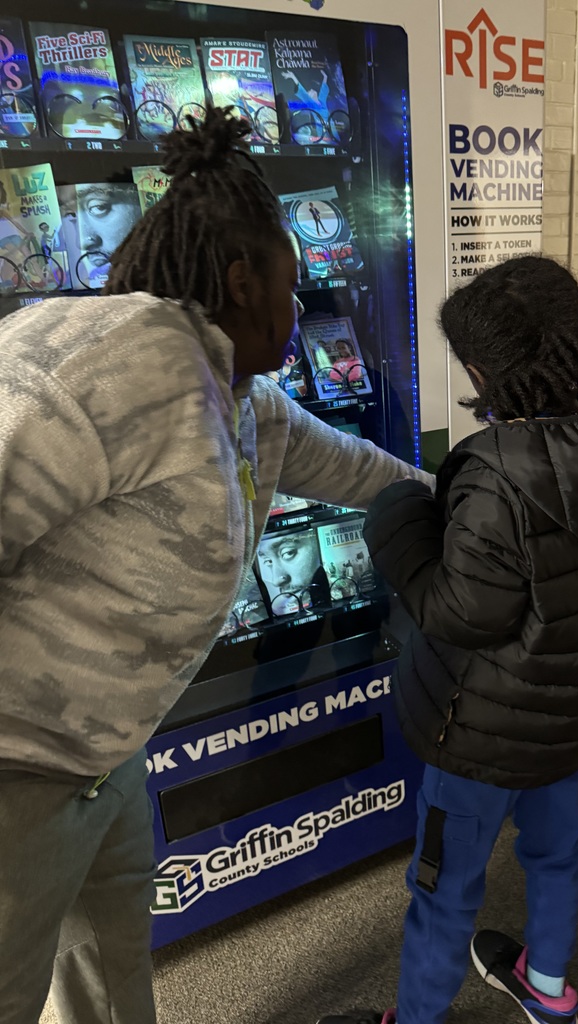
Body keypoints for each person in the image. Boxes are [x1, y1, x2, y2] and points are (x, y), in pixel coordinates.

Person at [0, 105, 431, 1024]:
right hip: (13, 776)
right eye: (293, 279)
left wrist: (473, 492)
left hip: (103, 762)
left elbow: (362, 470)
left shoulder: (238, 391)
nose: (305, 300)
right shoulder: (109, 366)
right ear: (241, 279)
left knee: (109, 981)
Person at [317, 255, 578, 1024]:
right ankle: (547, 990)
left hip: (481, 733)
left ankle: (416, 1019)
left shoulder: (494, 471)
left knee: (445, 887)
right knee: (558, 852)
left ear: (483, 371)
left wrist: (399, 517)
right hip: (576, 716)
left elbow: (460, 613)